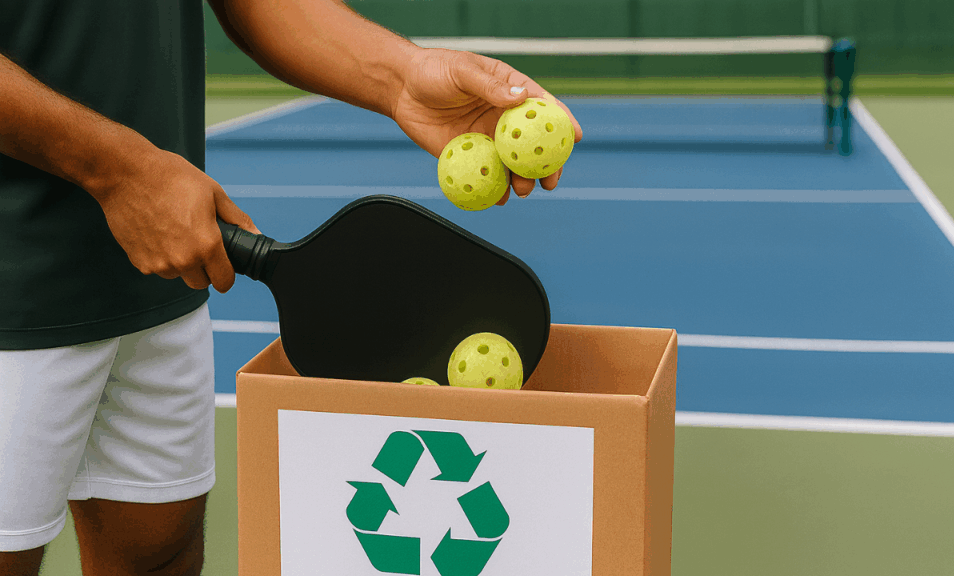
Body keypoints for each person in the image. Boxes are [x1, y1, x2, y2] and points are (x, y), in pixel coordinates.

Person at [0, 1, 583, 574]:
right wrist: (119, 172)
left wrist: (402, 76)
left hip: (164, 263)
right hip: (17, 286)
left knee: (160, 553)